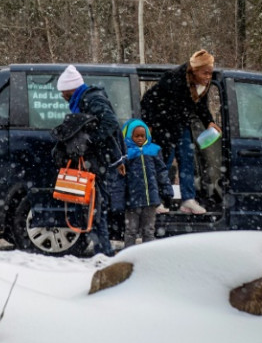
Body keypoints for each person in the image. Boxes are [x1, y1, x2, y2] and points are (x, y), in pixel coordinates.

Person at [55, 65, 126, 257]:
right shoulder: (86, 98)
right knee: (94, 205)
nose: (62, 96)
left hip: (102, 161)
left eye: (63, 92)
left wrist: (91, 141)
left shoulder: (92, 99)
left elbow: (110, 122)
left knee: (96, 205)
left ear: (72, 89)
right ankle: (101, 248)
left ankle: (103, 251)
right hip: (99, 161)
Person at [140, 49, 221, 215]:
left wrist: (209, 122)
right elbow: (149, 99)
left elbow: (201, 107)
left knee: (187, 159)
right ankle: (155, 200)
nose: (208, 77)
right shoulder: (173, 78)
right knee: (164, 163)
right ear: (195, 70)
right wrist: (148, 123)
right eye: (205, 73)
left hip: (181, 125)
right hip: (164, 125)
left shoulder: (202, 86)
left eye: (210, 73)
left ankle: (188, 199)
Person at [121, 119, 174, 247]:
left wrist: (167, 190)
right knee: (131, 230)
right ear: (129, 136)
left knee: (149, 230)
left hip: (151, 199)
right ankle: (128, 255)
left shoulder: (154, 150)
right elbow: (119, 178)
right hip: (132, 199)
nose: (139, 139)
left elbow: (161, 172)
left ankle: (147, 254)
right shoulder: (126, 154)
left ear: (147, 136)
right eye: (136, 136)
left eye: (142, 136)